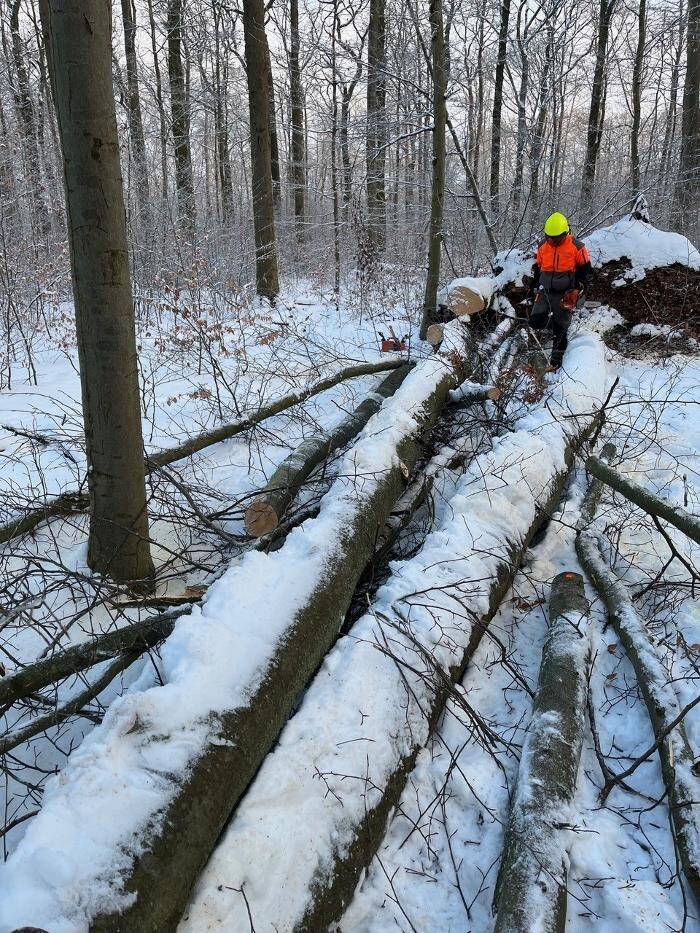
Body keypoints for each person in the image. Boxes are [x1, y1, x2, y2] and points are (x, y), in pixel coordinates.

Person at [529, 212, 592, 369]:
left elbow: (586, 270)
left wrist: (579, 286)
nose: (553, 241)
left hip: (566, 291)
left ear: (566, 233)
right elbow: (538, 268)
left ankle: (556, 360)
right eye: (550, 237)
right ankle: (552, 323)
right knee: (535, 321)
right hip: (545, 290)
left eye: (557, 238)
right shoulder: (543, 246)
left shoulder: (577, 247)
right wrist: (534, 285)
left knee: (560, 328)